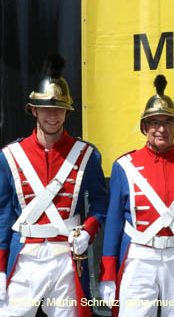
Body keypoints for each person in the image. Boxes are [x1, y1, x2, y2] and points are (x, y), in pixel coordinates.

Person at [0, 54, 109, 317]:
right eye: (46, 108)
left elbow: (100, 201)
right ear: (33, 110)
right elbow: (3, 215)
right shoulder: (10, 155)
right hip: (24, 254)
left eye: (59, 108)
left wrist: (88, 230)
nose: (52, 115)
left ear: (67, 112)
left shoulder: (86, 154)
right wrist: (1, 268)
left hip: (67, 257)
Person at [98, 75, 174, 317]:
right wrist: (108, 274)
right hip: (139, 256)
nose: (161, 129)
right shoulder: (124, 165)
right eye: (154, 122)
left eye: (167, 122)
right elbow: (113, 224)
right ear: (144, 127)